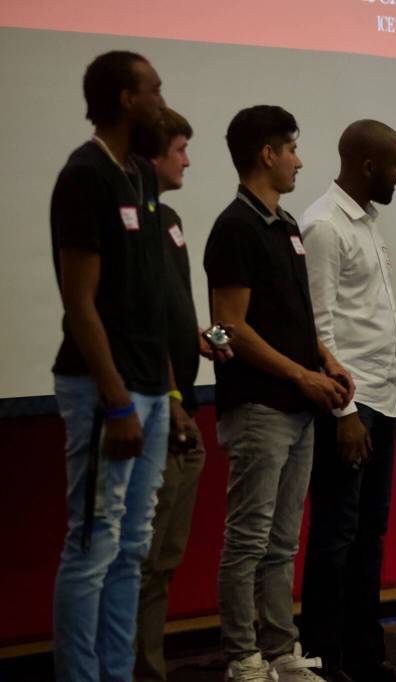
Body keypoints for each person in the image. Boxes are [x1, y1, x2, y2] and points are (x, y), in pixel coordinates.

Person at [204, 105, 353, 682]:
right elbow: (229, 327)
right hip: (259, 407)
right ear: (266, 154)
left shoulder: (287, 225)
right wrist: (299, 374)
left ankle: (280, 653)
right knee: (248, 539)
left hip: (299, 407)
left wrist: (327, 359)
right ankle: (243, 658)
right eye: (291, 148)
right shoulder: (234, 227)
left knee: (283, 541)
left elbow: (298, 314)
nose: (298, 159)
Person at [49, 50, 169, 682]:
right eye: (154, 89)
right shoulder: (85, 175)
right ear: (126, 98)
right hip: (105, 392)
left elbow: (149, 297)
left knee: (131, 549)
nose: (160, 100)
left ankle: (116, 673)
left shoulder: (141, 176)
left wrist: (167, 394)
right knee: (93, 544)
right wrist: (118, 400)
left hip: (150, 387)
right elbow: (80, 304)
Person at [299, 120, 396, 682]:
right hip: (349, 406)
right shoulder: (325, 225)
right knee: (336, 535)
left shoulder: (366, 221)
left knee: (369, 534)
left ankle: (365, 658)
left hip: (383, 395)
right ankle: (324, 660)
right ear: (369, 166)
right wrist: (344, 412)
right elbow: (318, 327)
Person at [134, 107, 232, 682]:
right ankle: (134, 666)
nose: (188, 160)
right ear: (153, 155)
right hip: (158, 411)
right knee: (140, 559)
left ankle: (150, 665)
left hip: (180, 406)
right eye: (179, 149)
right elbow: (143, 321)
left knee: (164, 560)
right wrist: (171, 400)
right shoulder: (130, 221)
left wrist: (217, 337)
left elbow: (178, 318)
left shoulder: (169, 218)